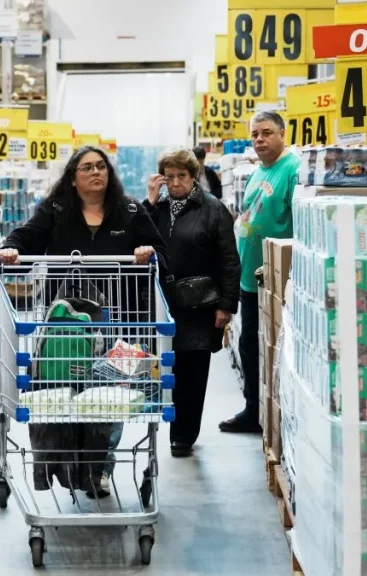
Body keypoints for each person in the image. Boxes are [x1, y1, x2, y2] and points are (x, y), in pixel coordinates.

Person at [0, 146, 168, 496]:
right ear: (73, 178)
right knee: (66, 393)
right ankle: (64, 467)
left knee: (110, 396)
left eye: (102, 166)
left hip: (121, 322)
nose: (97, 173)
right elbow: (26, 236)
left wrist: (147, 252)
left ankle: (99, 470)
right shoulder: (56, 210)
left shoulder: (131, 210)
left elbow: (160, 251)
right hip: (66, 323)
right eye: (87, 167)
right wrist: (11, 249)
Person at [144, 149, 240, 457]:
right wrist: (149, 200)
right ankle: (171, 426)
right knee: (167, 369)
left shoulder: (214, 210)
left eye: (180, 176)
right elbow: (136, 237)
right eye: (168, 177)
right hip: (162, 302)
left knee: (193, 370)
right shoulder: (155, 210)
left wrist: (226, 306)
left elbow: (229, 261)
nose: (174, 183)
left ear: (193, 175)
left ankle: (183, 435)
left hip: (200, 304)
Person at [220, 111, 299, 434]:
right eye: (254, 134)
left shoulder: (292, 169)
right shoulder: (258, 172)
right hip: (250, 279)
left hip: (275, 280)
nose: (259, 140)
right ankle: (255, 408)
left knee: (270, 348)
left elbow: (300, 226)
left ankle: (266, 413)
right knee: (251, 347)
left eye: (266, 133)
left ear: (282, 133)